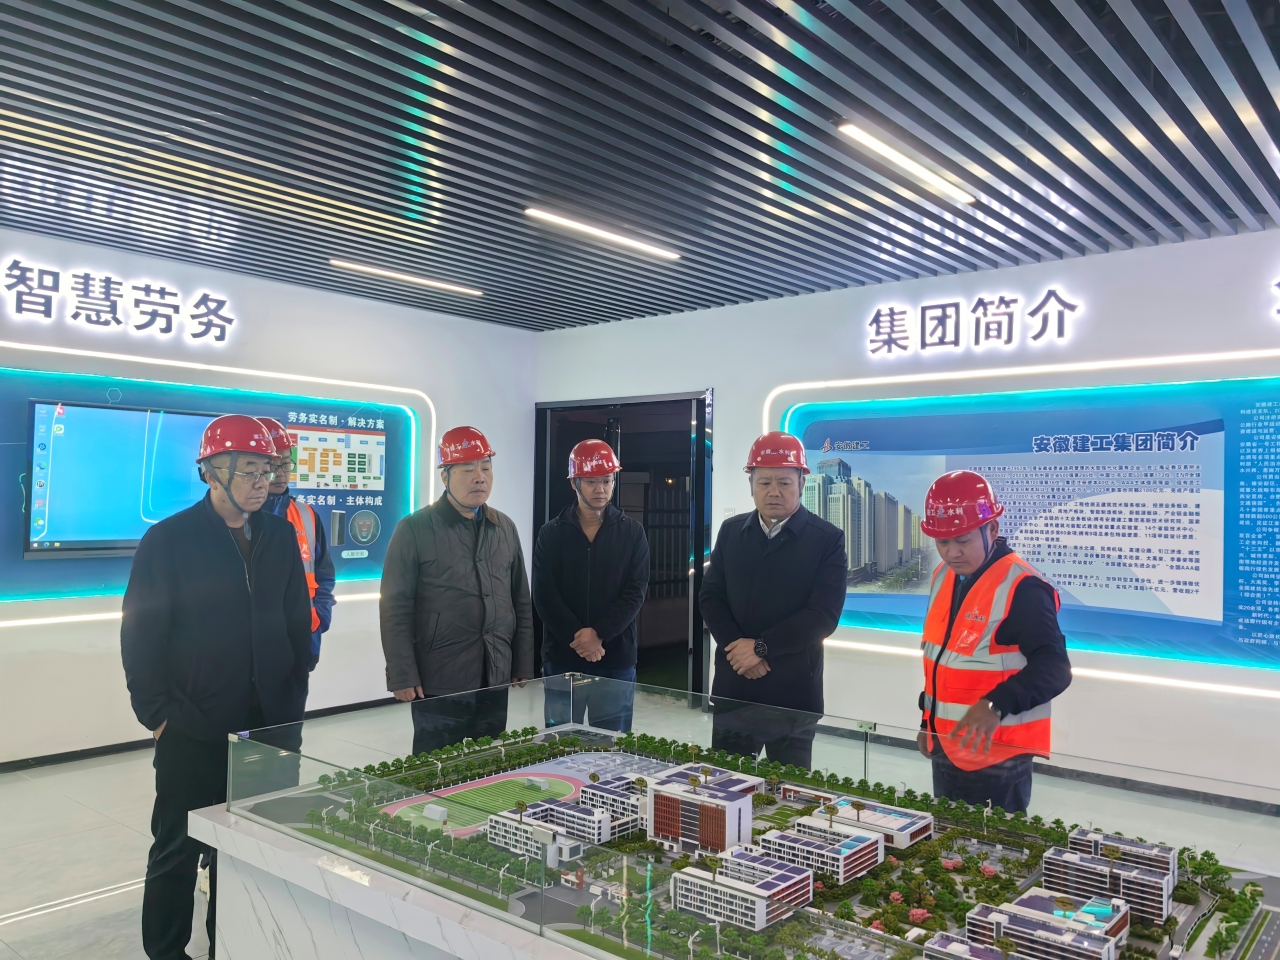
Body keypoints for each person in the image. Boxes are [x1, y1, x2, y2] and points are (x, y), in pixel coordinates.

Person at [121, 415, 313, 960]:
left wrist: (293, 695)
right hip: (193, 726)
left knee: (253, 846)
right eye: (249, 470)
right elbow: (141, 634)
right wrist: (160, 716)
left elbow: (296, 622)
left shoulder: (279, 535)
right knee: (177, 849)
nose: (261, 481)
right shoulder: (169, 540)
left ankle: (231, 944)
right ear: (211, 472)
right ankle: (166, 951)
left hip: (270, 725)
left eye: (267, 470)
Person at [916, 470, 1072, 814]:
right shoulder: (944, 576)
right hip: (947, 744)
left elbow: (1055, 668)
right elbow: (942, 662)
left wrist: (995, 705)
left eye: (963, 540)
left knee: (996, 844)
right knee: (948, 837)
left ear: (992, 529)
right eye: (943, 543)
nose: (952, 553)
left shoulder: (1023, 587)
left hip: (998, 755)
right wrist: (928, 724)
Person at [379, 426, 534, 755]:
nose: (480, 478)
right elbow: (395, 607)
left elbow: (520, 599)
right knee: (436, 765)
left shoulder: (504, 527)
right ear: (445, 477)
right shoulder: (414, 529)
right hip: (439, 676)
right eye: (467, 470)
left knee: (489, 761)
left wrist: (522, 662)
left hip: (494, 671)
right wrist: (402, 674)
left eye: (486, 468)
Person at [700, 432, 847, 768]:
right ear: (751, 484)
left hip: (792, 695)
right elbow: (710, 596)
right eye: (764, 482)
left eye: (784, 482)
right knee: (727, 784)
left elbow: (823, 615)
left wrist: (760, 648)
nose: (774, 491)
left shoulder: (827, 539)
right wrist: (738, 648)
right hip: (735, 687)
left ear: (802, 484)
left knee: (790, 791)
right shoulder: (731, 531)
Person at [533, 439, 650, 731]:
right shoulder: (551, 533)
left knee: (611, 742)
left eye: (607, 481)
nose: (600, 489)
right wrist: (578, 636)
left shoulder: (632, 533)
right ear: (574, 483)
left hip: (615, 655)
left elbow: (635, 592)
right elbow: (544, 593)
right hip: (563, 655)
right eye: (591, 481)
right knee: (562, 741)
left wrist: (599, 634)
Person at [257, 416, 336, 668]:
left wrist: (319, 618)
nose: (281, 474)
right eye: (273, 466)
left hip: (303, 641)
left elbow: (324, 576)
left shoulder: (307, 515)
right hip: (251, 650)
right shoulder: (237, 518)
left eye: (286, 464)